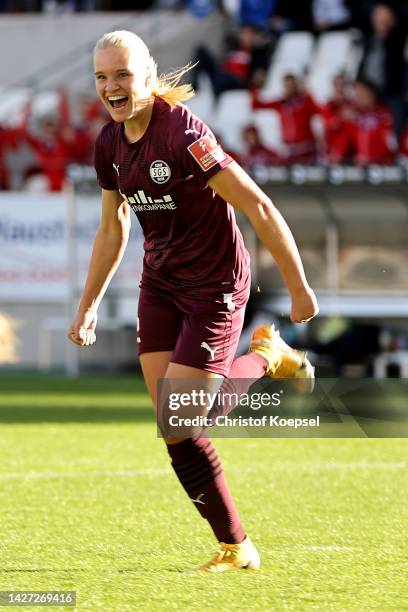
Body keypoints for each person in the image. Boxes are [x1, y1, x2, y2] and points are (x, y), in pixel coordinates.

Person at [68, 30, 318, 574]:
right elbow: (113, 228)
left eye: (123, 75)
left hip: (215, 282)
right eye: (101, 78)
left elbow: (259, 206)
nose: (111, 87)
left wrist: (297, 285)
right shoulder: (108, 145)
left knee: (181, 416)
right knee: (173, 426)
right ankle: (236, 547)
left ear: (149, 78)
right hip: (160, 281)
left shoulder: (183, 134)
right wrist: (89, 304)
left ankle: (267, 355)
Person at [251, 74, 320, 164]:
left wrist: (308, 93)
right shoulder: (281, 103)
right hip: (290, 150)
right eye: (287, 86)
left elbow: (319, 110)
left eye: (292, 85)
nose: (289, 88)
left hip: (306, 149)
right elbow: (256, 105)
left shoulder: (305, 102)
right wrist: (255, 87)